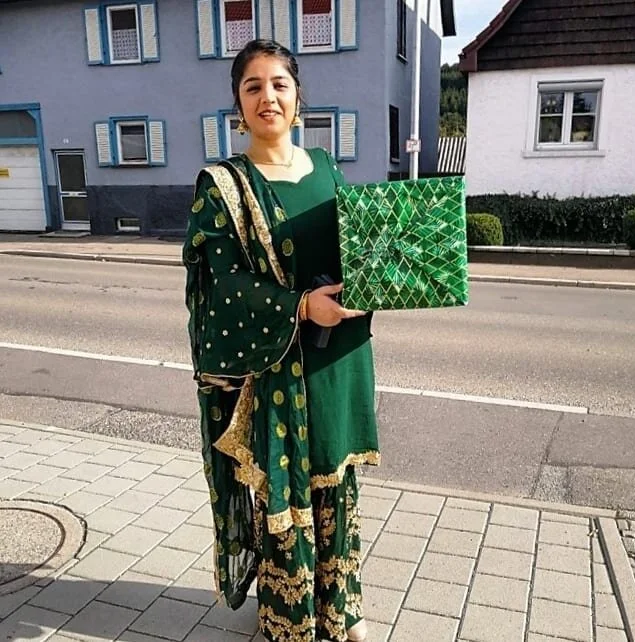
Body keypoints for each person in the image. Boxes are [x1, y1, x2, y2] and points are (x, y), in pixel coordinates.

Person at [183, 39, 379, 642]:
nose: (267, 96)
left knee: (337, 483)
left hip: (339, 357)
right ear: (238, 108)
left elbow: (356, 247)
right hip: (276, 365)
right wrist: (300, 305)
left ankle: (340, 608)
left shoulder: (325, 167)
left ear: (298, 99)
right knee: (287, 491)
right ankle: (290, 618)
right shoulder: (224, 185)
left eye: (279, 84)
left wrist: (385, 278)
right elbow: (223, 285)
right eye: (253, 86)